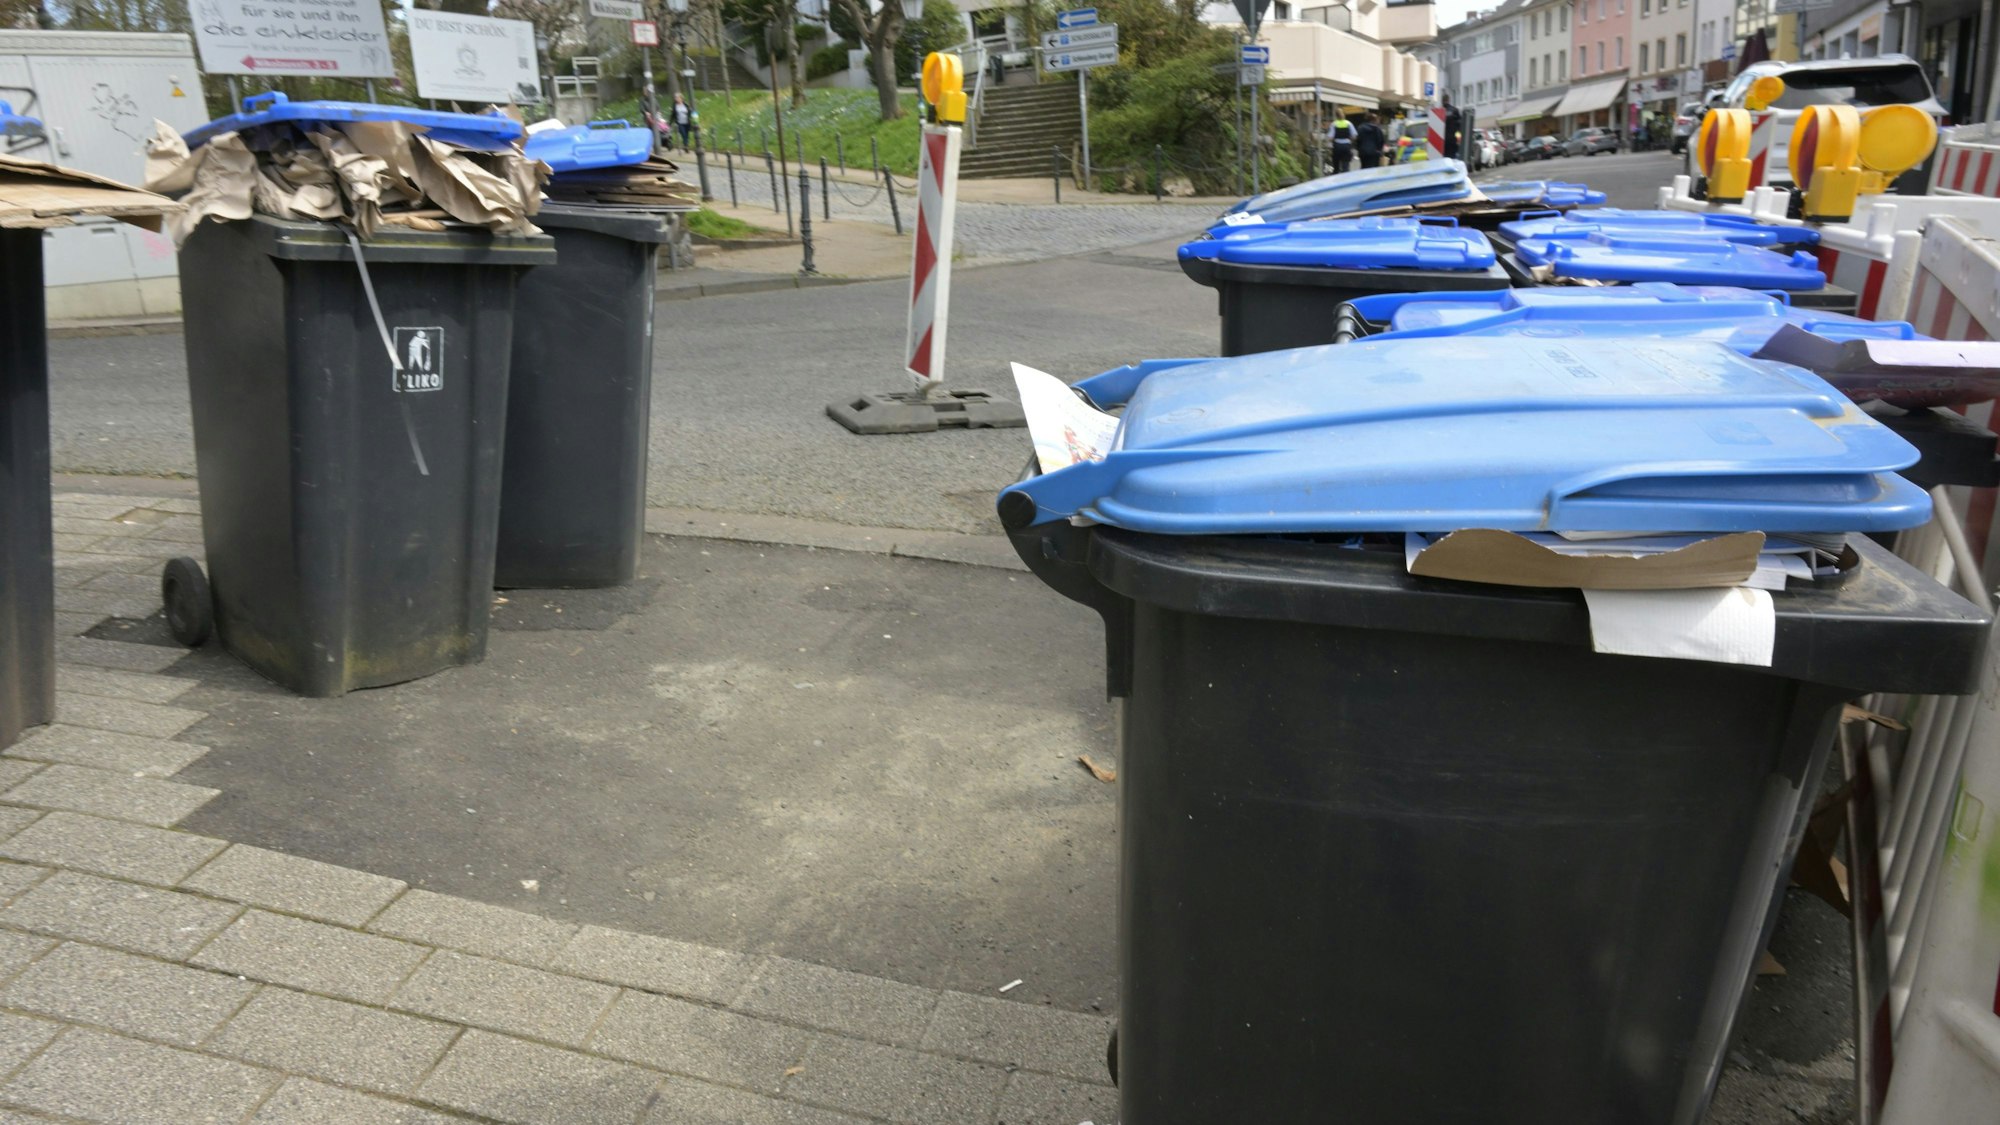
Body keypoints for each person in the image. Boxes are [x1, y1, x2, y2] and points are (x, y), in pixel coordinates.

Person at [1441, 94, 1462, 161]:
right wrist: (1458, 139)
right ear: (1448, 100)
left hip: (1442, 141)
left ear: (1442, 101)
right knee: (1453, 159)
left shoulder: (1439, 112)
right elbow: (1459, 128)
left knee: (1443, 159)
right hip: (1453, 140)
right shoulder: (1455, 111)